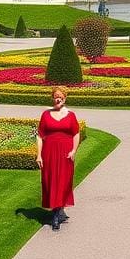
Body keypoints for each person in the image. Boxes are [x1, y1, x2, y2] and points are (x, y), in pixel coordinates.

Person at [37, 87, 81, 230]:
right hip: (49, 153)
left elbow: (76, 133)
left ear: (65, 98)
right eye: (56, 97)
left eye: (61, 97)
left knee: (63, 181)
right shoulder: (45, 114)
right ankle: (57, 211)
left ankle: (57, 211)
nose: (58, 99)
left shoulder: (71, 115)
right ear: (52, 98)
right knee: (50, 181)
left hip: (65, 153)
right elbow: (40, 135)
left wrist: (74, 150)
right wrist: (39, 155)